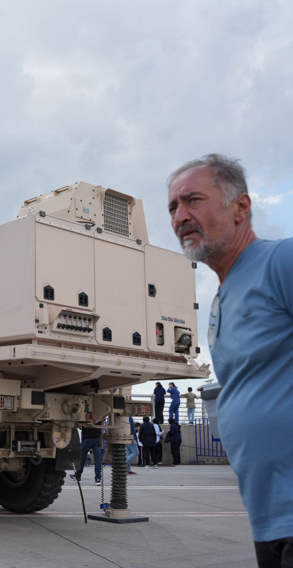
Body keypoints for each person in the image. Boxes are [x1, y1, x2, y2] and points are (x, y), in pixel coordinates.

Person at [168, 153, 293, 566]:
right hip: (268, 518)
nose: (180, 216)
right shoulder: (221, 298)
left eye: (193, 200)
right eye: (173, 207)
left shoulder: (280, 262)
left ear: (241, 207)